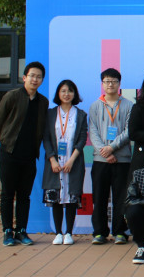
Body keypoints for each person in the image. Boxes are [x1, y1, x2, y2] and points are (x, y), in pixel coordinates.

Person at [0, 61, 49, 246]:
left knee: (24, 195)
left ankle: (21, 231)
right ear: (24, 77)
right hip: (9, 153)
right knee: (7, 194)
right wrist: (5, 141)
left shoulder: (43, 102)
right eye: (32, 76)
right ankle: (7, 231)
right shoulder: (12, 96)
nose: (35, 79)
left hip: (29, 155)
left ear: (42, 80)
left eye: (39, 77)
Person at [89, 68, 133, 245]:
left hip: (122, 160)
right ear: (102, 84)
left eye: (114, 81)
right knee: (99, 197)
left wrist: (112, 148)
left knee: (121, 198)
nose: (110, 84)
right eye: (107, 81)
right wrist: (105, 152)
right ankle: (99, 232)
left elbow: (129, 131)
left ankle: (120, 231)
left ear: (119, 83)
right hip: (101, 160)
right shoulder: (95, 106)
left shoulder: (128, 105)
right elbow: (93, 132)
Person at [41, 80, 88, 246]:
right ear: (58, 94)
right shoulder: (50, 114)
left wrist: (72, 160)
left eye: (70, 91)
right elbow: (46, 138)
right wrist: (52, 159)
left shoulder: (80, 115)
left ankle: (68, 232)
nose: (66, 94)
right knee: (56, 198)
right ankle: (58, 233)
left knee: (71, 197)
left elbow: (82, 139)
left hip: (72, 161)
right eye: (63, 91)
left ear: (74, 94)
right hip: (55, 162)